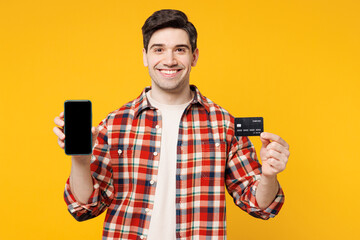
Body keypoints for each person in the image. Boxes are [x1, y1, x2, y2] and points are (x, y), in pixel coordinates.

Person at [53, 9, 290, 240]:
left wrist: (268, 176)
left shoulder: (223, 124)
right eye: (159, 50)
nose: (169, 60)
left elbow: (260, 206)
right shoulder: (114, 124)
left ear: (194, 56)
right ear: (145, 56)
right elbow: (84, 207)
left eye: (180, 50)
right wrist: (80, 161)